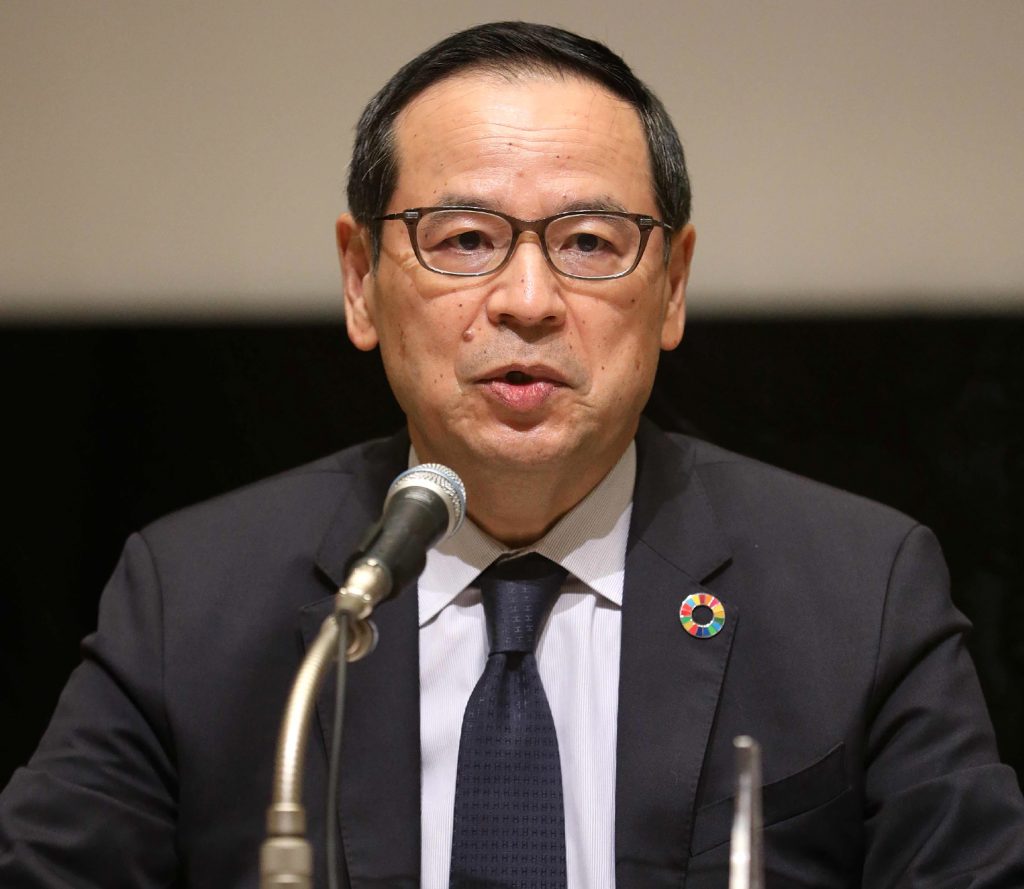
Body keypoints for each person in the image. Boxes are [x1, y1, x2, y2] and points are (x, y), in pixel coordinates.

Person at [2, 20, 1023, 889]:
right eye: (461, 239)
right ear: (360, 280)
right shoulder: (196, 597)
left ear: (672, 287)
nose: (527, 300)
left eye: (588, 242)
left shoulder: (856, 590)